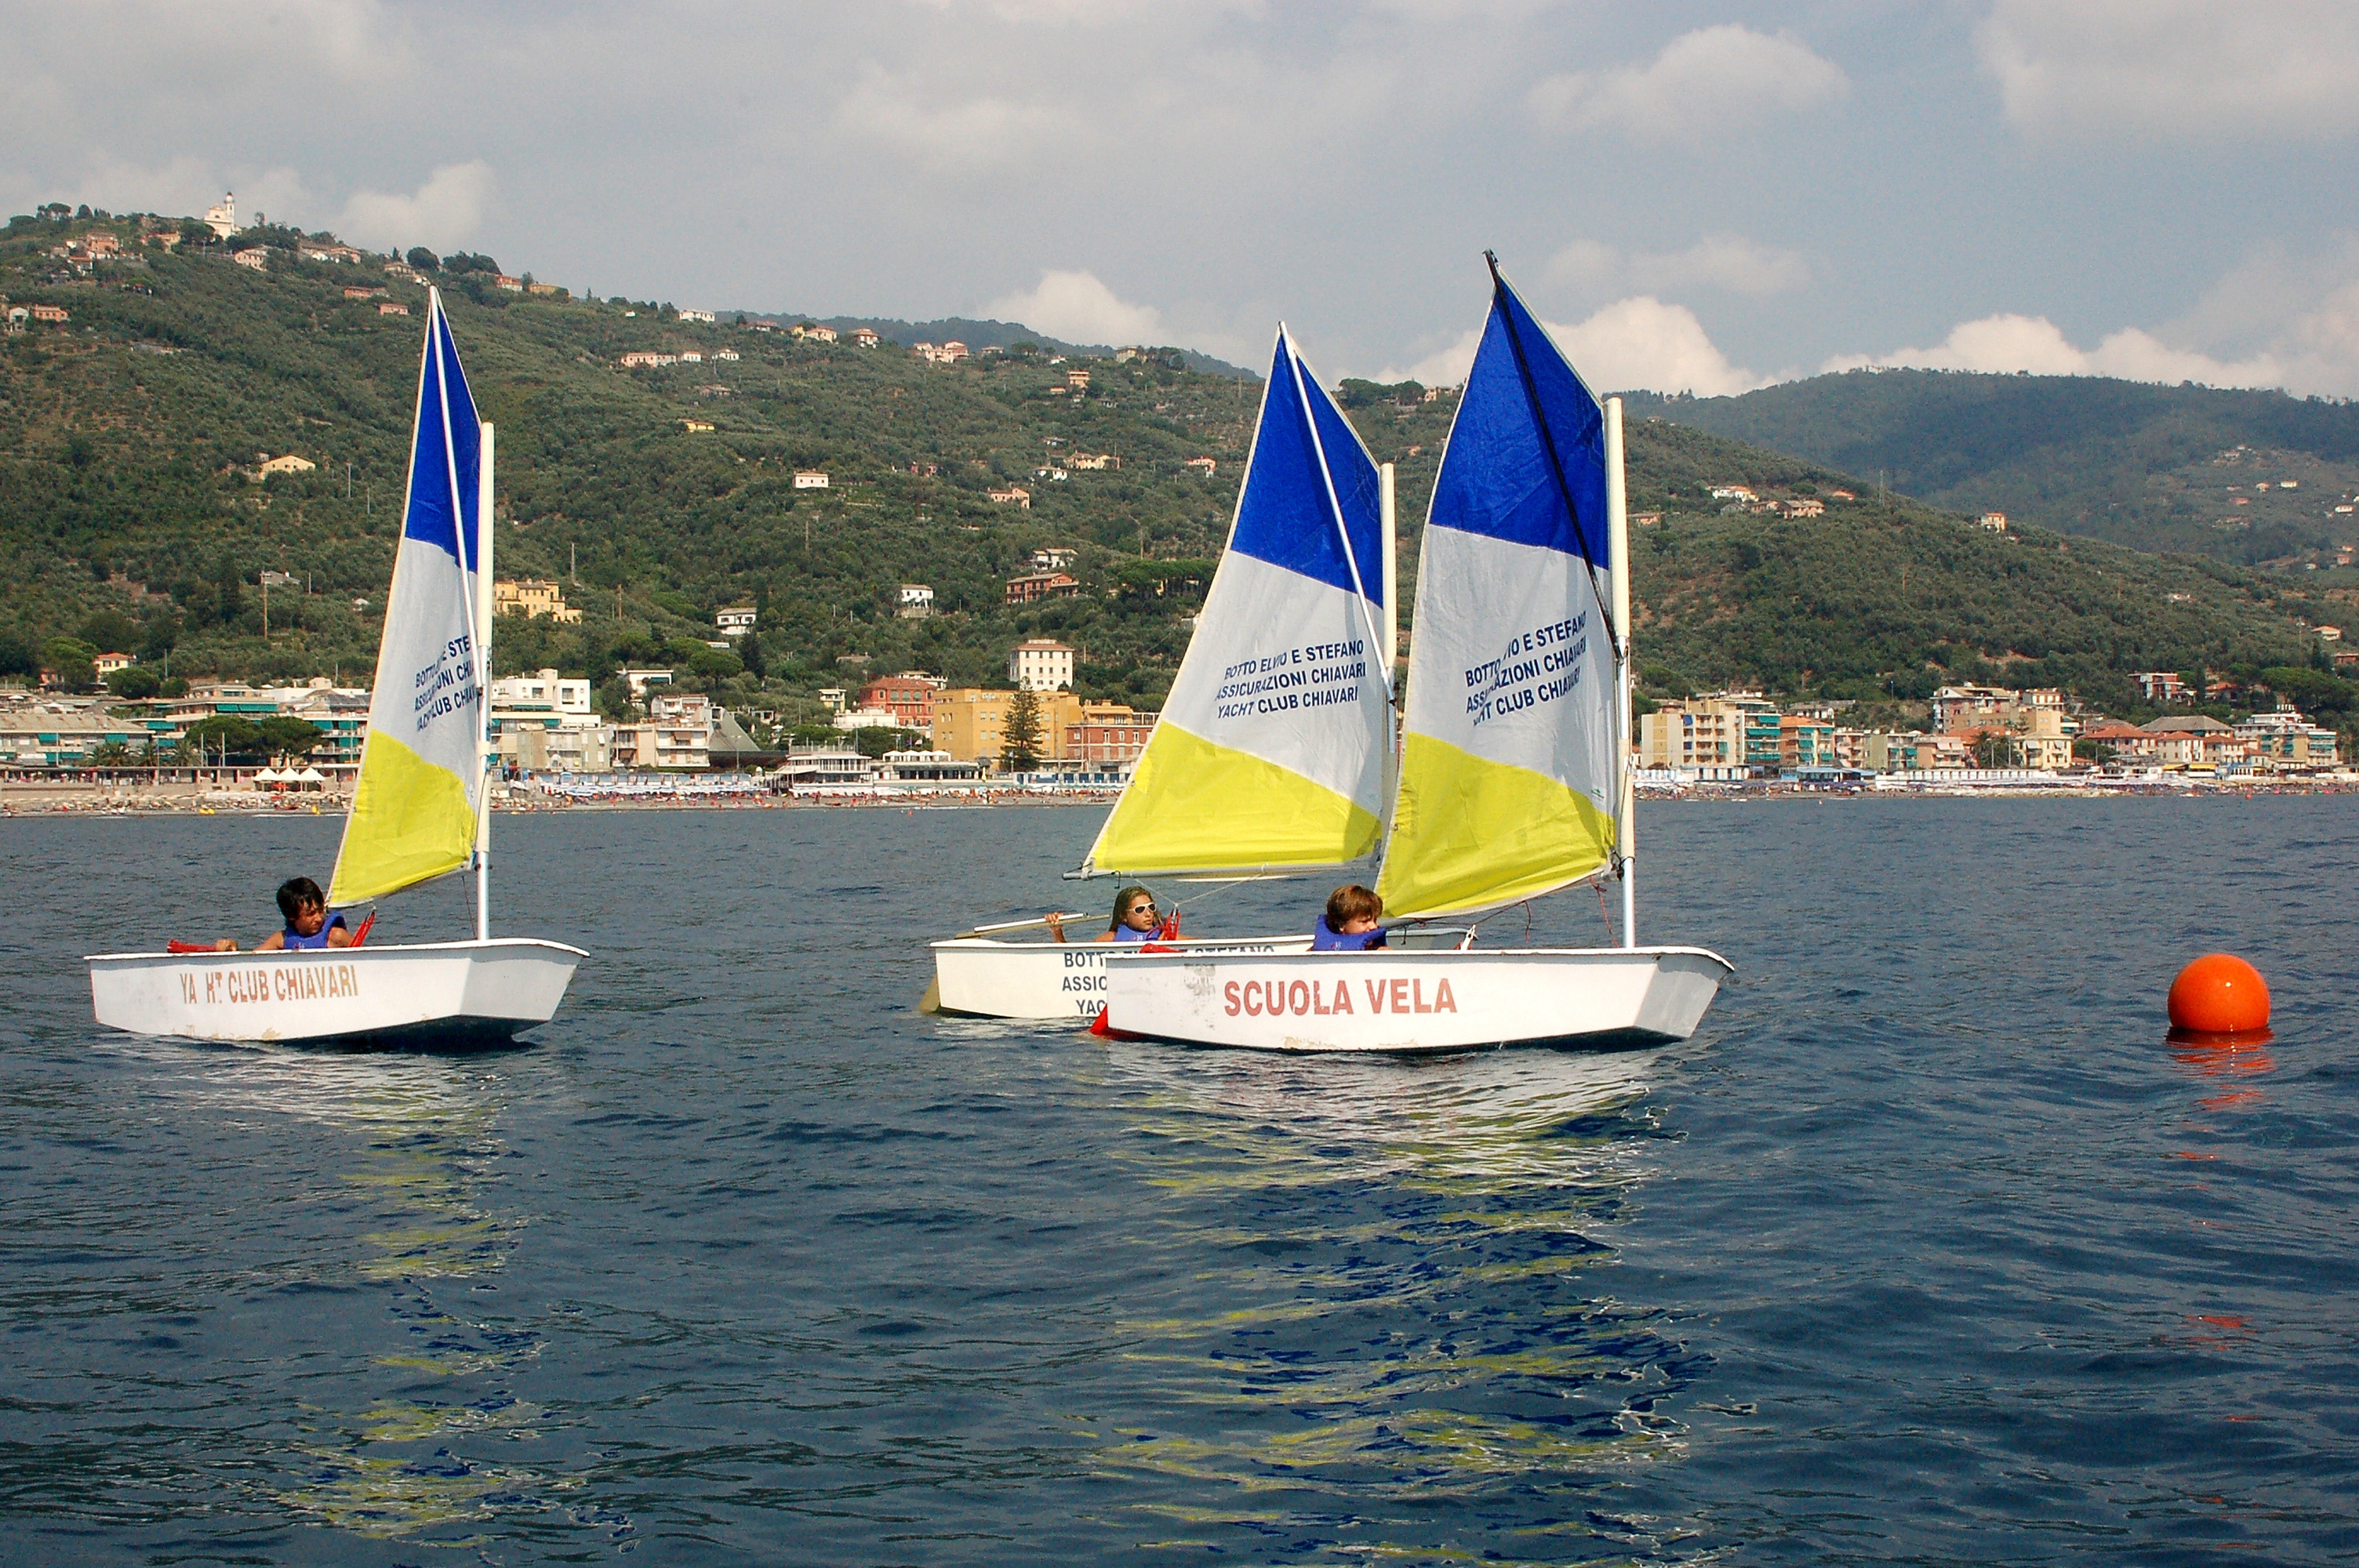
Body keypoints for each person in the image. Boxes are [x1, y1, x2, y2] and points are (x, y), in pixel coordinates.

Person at [214, 877, 352, 953]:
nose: (318, 918)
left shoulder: (336, 937)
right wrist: (232, 948)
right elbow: (250, 960)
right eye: (310, 914)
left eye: (321, 910)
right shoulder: (280, 940)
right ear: (292, 916)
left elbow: (369, 962)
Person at [1048, 885, 1162, 944]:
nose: (1148, 914)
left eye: (1151, 907)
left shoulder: (1165, 938)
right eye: (1140, 910)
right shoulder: (1110, 939)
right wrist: (1057, 932)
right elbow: (1073, 959)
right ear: (1124, 916)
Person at [1312, 884, 1387, 951]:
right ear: (1341, 925)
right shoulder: (1317, 952)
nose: (1374, 926)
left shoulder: (1383, 952)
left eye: (1375, 920)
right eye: (1364, 921)